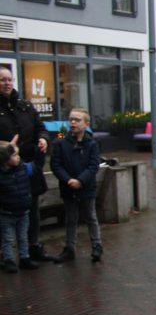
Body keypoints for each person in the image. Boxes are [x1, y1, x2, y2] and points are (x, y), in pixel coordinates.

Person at [0, 66, 54, 263]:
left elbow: (41, 128)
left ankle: (33, 248)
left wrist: (43, 139)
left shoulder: (26, 105)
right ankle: (6, 255)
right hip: (5, 171)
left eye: (9, 79)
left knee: (32, 210)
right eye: (2, 80)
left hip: (29, 168)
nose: (7, 83)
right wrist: (6, 149)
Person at [50, 108, 102, 263]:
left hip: (86, 187)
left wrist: (80, 180)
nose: (73, 122)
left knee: (90, 216)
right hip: (68, 187)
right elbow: (56, 165)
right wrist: (68, 180)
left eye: (77, 120)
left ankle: (97, 246)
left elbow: (94, 165)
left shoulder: (92, 144)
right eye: (71, 119)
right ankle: (70, 248)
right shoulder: (61, 143)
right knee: (70, 218)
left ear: (86, 124)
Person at [0, 137, 39, 273]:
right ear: (5, 159)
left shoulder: (23, 168)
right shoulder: (2, 174)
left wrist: (39, 150)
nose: (18, 157)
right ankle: (8, 260)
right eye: (14, 155)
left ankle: (24, 257)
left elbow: (36, 165)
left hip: (23, 211)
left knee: (23, 236)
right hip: (7, 212)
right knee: (8, 238)